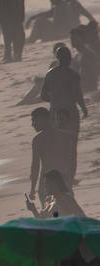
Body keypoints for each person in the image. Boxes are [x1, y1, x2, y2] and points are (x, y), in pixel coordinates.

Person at [42, 44, 87, 186]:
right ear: (68, 59)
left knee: (58, 145)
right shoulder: (72, 75)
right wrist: (84, 108)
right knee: (71, 145)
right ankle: (70, 176)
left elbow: (43, 95)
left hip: (55, 111)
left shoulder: (50, 74)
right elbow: (78, 94)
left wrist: (55, 99)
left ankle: (60, 176)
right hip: (69, 112)